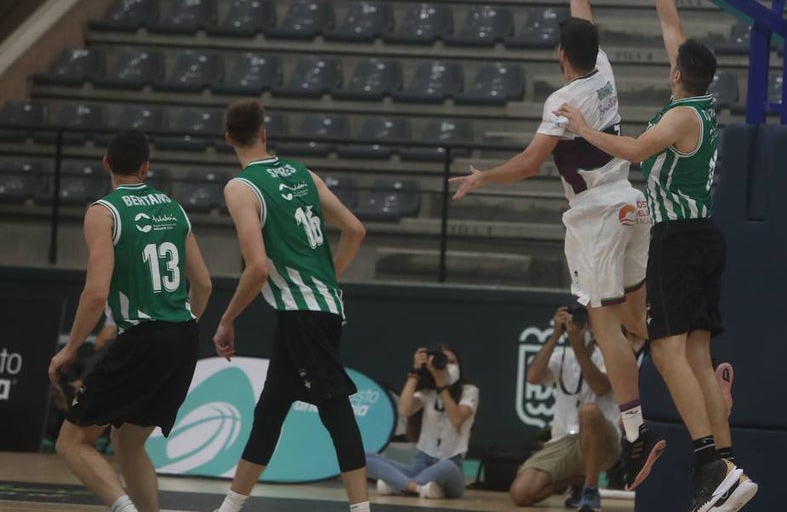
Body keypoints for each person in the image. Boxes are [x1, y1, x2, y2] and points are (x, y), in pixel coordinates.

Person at [554, 0, 756, 512]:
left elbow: (638, 150)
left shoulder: (679, 117)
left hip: (680, 238)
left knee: (666, 353)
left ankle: (709, 464)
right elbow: (674, 27)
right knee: (693, 356)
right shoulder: (699, 101)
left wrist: (587, 128)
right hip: (700, 237)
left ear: (676, 75)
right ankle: (727, 469)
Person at [451, 0, 662, 489]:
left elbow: (528, 163)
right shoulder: (605, 71)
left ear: (560, 54)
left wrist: (483, 177)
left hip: (596, 217)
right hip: (634, 203)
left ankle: (635, 437)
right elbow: (586, 23)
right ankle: (682, 392)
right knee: (640, 326)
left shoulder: (563, 99)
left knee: (605, 324)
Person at [211, 99, 370, 512]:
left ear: (229, 138)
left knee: (335, 408)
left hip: (303, 313)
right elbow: (355, 229)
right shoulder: (303, 172)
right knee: (272, 405)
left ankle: (361, 509)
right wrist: (328, 277)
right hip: (321, 308)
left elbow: (257, 268)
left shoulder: (241, 187)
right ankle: (230, 506)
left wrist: (226, 320)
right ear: (264, 134)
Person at [49, 129, 212, 512]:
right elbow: (203, 283)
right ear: (145, 167)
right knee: (128, 442)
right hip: (183, 335)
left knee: (70, 442)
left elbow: (96, 293)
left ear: (106, 163)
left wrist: (70, 349)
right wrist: (181, 329)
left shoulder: (103, 211)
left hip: (143, 336)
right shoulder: (174, 208)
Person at [510, 306, 620, 512]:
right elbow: (533, 377)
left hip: (603, 441)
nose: (579, 328)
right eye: (575, 323)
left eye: (584, 323)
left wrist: (578, 348)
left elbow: (600, 386)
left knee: (589, 411)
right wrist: (556, 334)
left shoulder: (610, 355)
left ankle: (590, 488)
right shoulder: (561, 356)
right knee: (521, 493)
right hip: (563, 440)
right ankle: (575, 480)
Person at [367, 345, 478, 499]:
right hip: (422, 463)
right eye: (442, 362)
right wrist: (415, 372)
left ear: (459, 365)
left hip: (451, 465)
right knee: (365, 458)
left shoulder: (470, 390)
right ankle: (417, 487)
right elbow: (404, 410)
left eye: (451, 362)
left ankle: (399, 485)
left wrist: (441, 385)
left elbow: (456, 419)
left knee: (446, 466)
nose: (446, 367)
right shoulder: (427, 392)